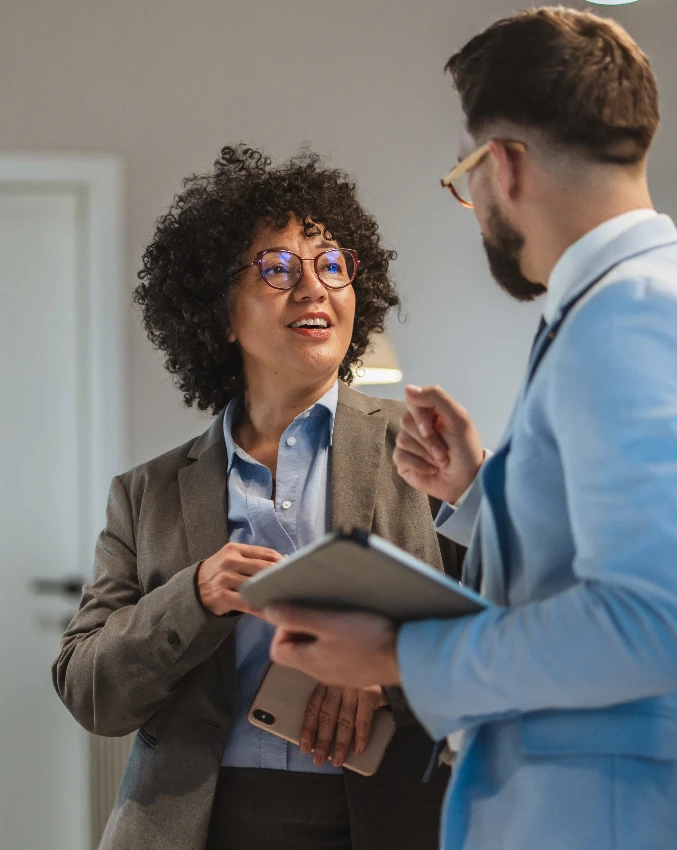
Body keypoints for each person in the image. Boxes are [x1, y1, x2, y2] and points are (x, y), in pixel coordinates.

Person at [263, 9, 677, 850]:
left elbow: (650, 625)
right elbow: (603, 552)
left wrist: (400, 653)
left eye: (465, 175)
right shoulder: (634, 305)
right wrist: (477, 491)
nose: (475, 204)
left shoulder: (635, 318)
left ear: (503, 164)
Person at [52, 145, 461, 850]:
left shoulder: (424, 450)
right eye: (278, 269)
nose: (314, 289)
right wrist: (196, 596)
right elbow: (91, 689)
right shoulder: (145, 494)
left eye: (332, 264)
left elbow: (505, 631)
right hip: (200, 826)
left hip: (393, 820)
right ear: (222, 316)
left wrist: (383, 673)